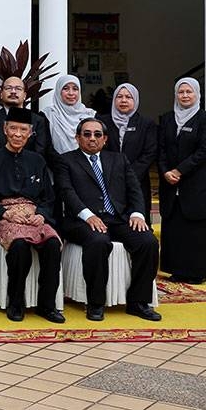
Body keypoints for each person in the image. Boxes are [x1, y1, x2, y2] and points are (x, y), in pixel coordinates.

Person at [55, 118, 160, 321]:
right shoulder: (65, 160)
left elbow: (134, 189)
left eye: (97, 135)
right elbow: (67, 192)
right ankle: (95, 303)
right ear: (77, 138)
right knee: (98, 242)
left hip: (117, 218)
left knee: (148, 241)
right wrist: (88, 215)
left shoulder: (118, 159)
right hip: (81, 220)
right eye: (86, 134)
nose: (92, 139)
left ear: (105, 139)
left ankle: (138, 303)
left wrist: (137, 214)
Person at [0, 107, 64, 323]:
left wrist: (42, 214)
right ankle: (16, 302)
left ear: (30, 133)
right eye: (13, 128)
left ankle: (47, 305)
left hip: (34, 216)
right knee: (20, 246)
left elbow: (48, 197)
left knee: (53, 244)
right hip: (5, 218)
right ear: (5, 129)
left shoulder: (37, 161)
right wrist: (5, 213)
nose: (17, 134)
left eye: (23, 129)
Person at [158, 77, 206, 284]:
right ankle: (175, 269)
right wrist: (166, 172)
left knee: (193, 230)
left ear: (197, 94)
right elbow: (160, 150)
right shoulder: (167, 119)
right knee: (174, 227)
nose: (185, 96)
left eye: (189, 92)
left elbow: (203, 151)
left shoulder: (203, 119)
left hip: (195, 183)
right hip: (170, 184)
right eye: (181, 92)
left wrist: (180, 170)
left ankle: (196, 271)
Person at [97, 83, 157, 219]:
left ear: (135, 100)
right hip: (108, 181)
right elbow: (98, 149)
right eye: (119, 96)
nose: (123, 100)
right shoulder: (102, 122)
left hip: (138, 181)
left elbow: (150, 153)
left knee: (139, 224)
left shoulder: (146, 124)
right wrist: (114, 174)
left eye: (128, 97)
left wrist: (128, 175)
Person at [0, 76, 53, 157]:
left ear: (24, 95)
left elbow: (40, 151)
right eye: (8, 88)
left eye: (18, 88)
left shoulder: (38, 120)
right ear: (1, 94)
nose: (13, 91)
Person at [43, 74, 97, 156]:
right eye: (65, 89)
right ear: (58, 91)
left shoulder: (90, 115)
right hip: (57, 165)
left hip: (85, 165)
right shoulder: (48, 115)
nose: (71, 93)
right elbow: (46, 148)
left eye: (75, 89)